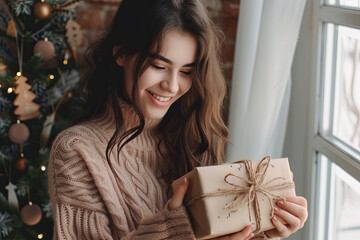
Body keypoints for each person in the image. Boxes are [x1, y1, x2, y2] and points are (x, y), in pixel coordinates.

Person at [48, 0, 308, 239]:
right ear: (121, 54)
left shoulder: (191, 134)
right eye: (159, 66)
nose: (172, 86)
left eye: (186, 71)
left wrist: (261, 226)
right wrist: (173, 230)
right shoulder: (76, 152)